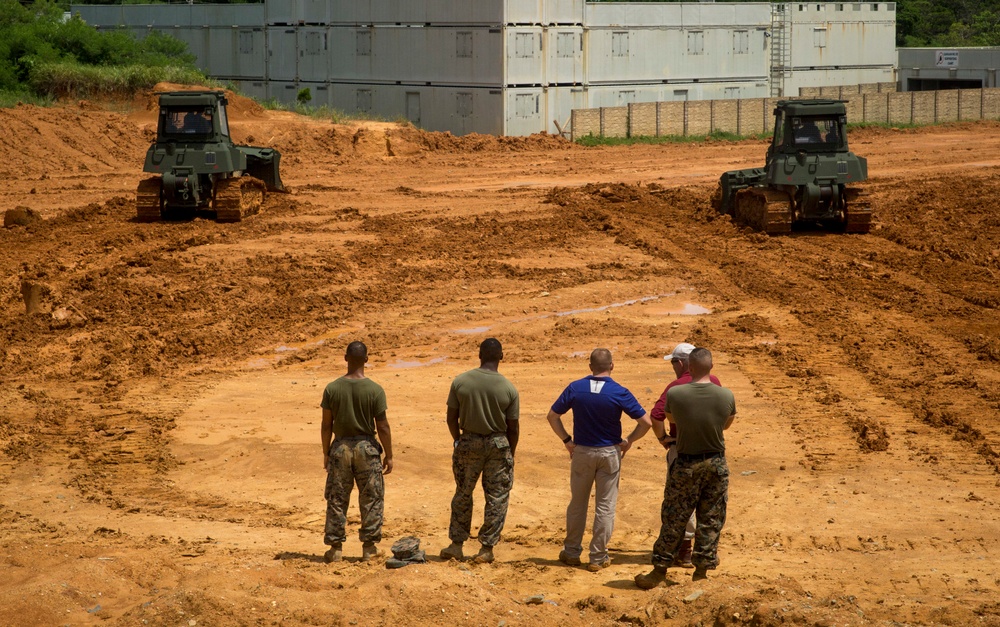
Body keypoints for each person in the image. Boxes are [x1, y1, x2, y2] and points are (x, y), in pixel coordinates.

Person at [635, 348, 736, 589]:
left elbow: (670, 418)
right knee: (711, 518)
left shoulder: (676, 393)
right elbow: (726, 425)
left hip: (685, 462)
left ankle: (659, 571)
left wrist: (667, 438)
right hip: (715, 462)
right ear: (711, 367)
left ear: (688, 366)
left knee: (674, 517)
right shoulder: (726, 395)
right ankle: (701, 573)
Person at [546, 348, 651, 572]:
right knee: (605, 506)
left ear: (590, 366)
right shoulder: (619, 391)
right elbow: (646, 422)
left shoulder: (576, 387)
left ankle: (572, 552)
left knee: (577, 503)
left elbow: (553, 416)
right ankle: (598, 556)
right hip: (609, 453)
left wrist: (567, 440)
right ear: (612, 366)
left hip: (582, 451)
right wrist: (629, 440)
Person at [440, 338, 520, 564]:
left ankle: (456, 545)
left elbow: (451, 418)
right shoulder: (508, 388)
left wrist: (459, 441)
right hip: (498, 446)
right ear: (501, 357)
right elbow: (513, 428)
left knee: (463, 494)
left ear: (479, 355)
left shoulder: (461, 382)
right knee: (496, 497)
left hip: (468, 442)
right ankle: (486, 549)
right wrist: (509, 454)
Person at [649, 342, 722, 568]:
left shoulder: (676, 387)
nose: (673, 366)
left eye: (673, 362)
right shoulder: (716, 382)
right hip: (712, 451)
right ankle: (703, 554)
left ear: (682, 363)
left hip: (682, 450)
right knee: (709, 503)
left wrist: (663, 438)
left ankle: (683, 551)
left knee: (679, 502)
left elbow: (656, 415)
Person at [320, 341, 393, 563]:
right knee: (371, 498)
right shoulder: (375, 390)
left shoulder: (332, 388)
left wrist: (326, 452)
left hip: (340, 448)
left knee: (337, 498)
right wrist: (388, 455)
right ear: (366, 360)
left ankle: (335, 549)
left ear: (345, 358)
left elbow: (326, 425)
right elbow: (382, 426)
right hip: (367, 449)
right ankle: (369, 549)